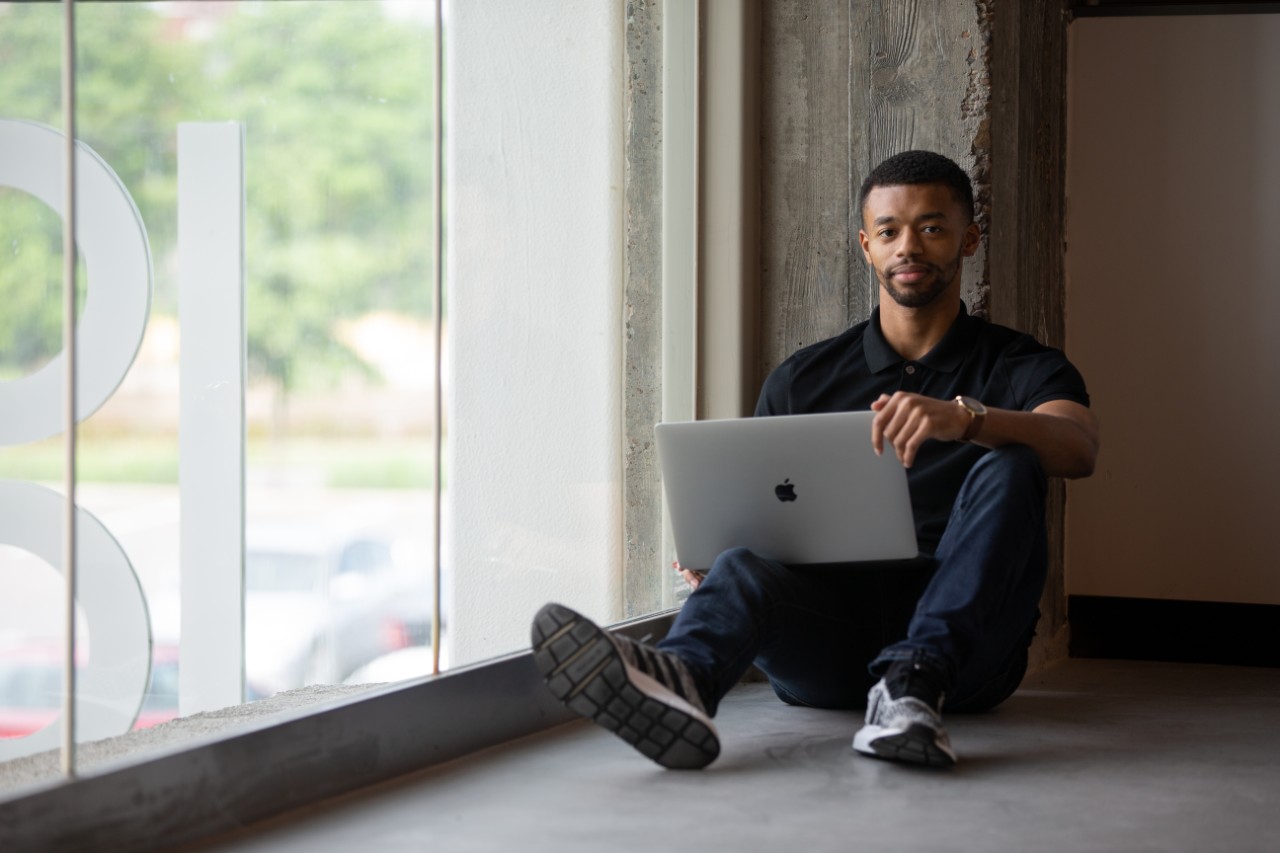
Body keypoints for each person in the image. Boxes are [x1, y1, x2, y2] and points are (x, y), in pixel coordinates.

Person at [530, 150, 1098, 770]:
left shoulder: (1018, 364)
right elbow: (758, 506)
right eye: (889, 230)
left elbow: (1077, 448)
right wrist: (716, 556)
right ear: (866, 245)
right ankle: (680, 683)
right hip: (831, 645)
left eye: (932, 227)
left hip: (964, 660)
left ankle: (909, 688)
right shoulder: (803, 379)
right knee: (742, 564)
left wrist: (968, 420)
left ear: (969, 239)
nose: (908, 245)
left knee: (1011, 464)